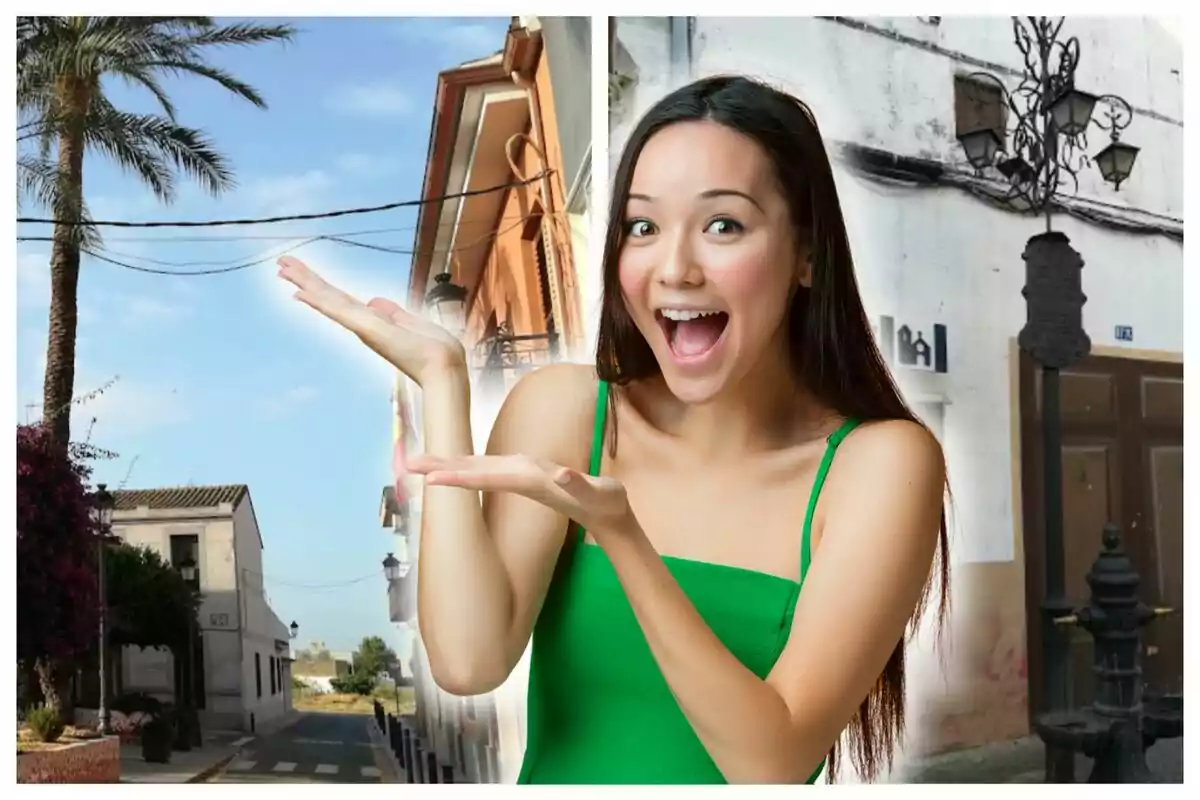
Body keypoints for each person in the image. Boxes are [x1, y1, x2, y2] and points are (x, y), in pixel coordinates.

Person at [279, 74, 949, 785]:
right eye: (642, 226)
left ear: (807, 254)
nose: (675, 268)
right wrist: (443, 386)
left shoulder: (880, 465)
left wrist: (623, 537)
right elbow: (469, 662)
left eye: (724, 224)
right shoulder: (566, 414)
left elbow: (772, 759)